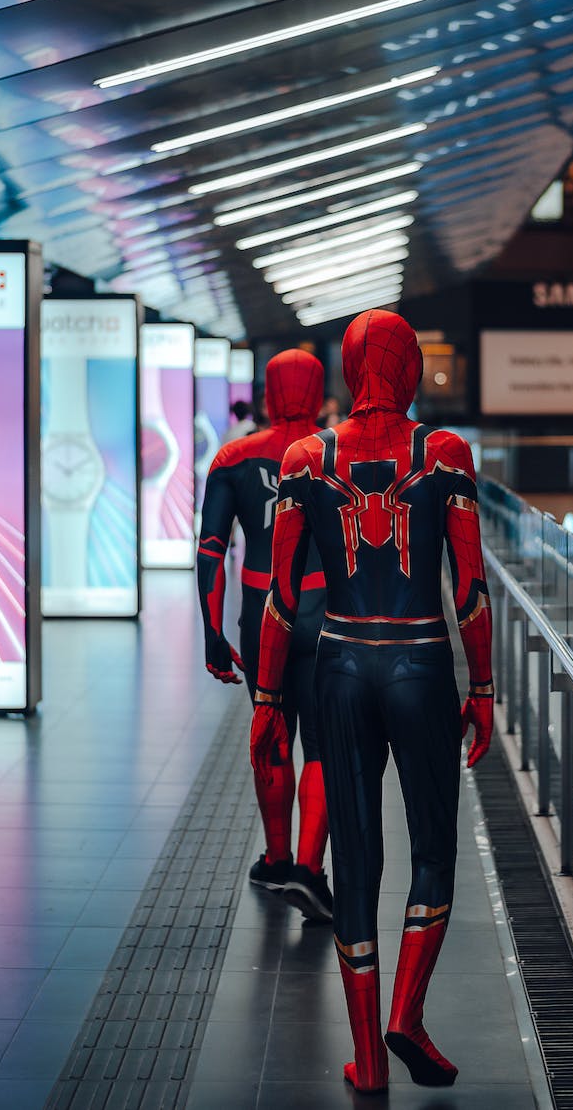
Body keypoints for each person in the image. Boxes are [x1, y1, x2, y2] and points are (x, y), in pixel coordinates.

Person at [250, 309, 494, 1092]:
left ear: (350, 368)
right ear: (405, 364)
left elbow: (282, 601)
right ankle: (405, 1016)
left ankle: (366, 1062)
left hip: (342, 666)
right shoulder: (443, 453)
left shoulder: (303, 459)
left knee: (355, 864)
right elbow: (472, 591)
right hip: (421, 664)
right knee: (432, 852)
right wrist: (483, 688)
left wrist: (264, 701)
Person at [197, 349, 332, 921]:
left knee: (270, 726)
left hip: (261, 612)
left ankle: (276, 860)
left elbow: (211, 550)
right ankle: (307, 867)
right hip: (327, 611)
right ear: (322, 389)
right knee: (323, 742)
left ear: (268, 393)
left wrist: (211, 632)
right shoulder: (339, 452)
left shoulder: (233, 457)